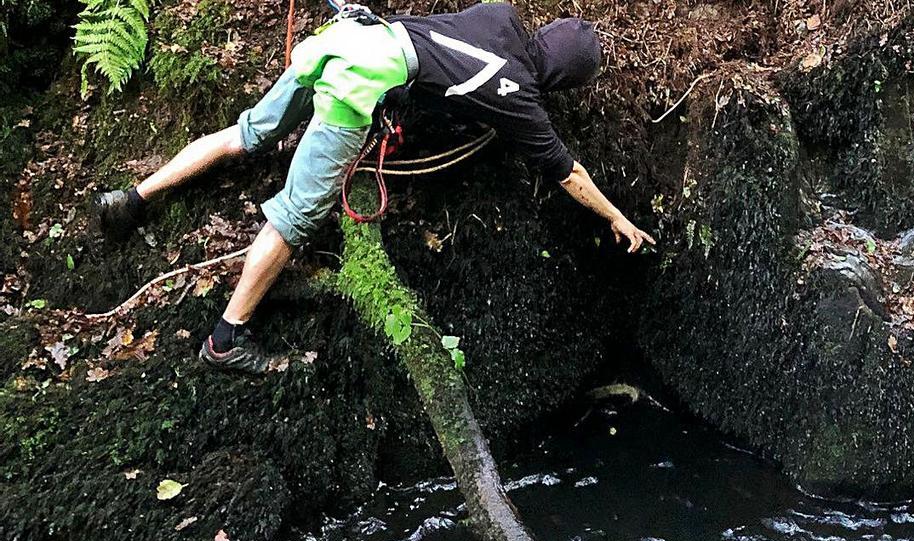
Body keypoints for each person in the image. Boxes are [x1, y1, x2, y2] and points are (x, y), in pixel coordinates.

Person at [92, 2, 656, 375]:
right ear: (562, 78)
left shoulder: (501, 14)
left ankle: (132, 200)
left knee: (246, 134)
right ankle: (226, 337)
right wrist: (616, 218)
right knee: (294, 219)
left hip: (346, 40)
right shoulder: (520, 100)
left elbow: (436, 41)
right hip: (355, 89)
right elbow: (568, 172)